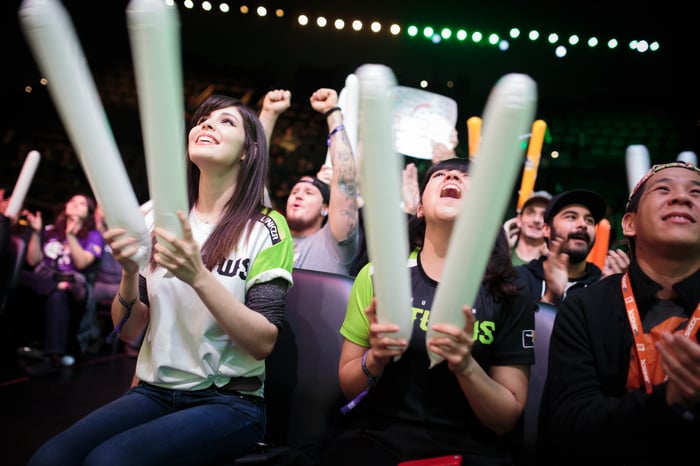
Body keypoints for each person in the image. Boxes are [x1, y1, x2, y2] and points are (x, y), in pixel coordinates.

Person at [27, 94, 295, 466]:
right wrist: (129, 269)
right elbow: (128, 330)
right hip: (154, 392)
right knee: (50, 457)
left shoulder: (266, 227)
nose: (206, 125)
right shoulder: (154, 216)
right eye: (203, 119)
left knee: (108, 461)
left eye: (225, 122)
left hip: (230, 402)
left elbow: (263, 342)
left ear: (248, 152)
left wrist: (198, 276)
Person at [322, 158, 537, 465]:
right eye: (439, 174)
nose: (451, 175)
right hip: (377, 440)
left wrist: (465, 365)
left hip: (467, 450)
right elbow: (348, 385)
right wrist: (377, 358)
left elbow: (506, 418)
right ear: (420, 207)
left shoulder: (509, 292)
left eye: (466, 176)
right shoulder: (378, 275)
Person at [536, 161, 700, 465]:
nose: (682, 198)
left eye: (696, 193)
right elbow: (568, 425)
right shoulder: (586, 306)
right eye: (664, 189)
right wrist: (670, 398)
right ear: (629, 224)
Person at [15, 193, 103, 373]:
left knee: (59, 295)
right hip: (47, 279)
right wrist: (36, 232)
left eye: (82, 203)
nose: (75, 205)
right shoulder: (51, 230)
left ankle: (53, 356)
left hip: (73, 283)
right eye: (72, 201)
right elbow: (34, 261)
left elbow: (82, 264)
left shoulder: (93, 236)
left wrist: (71, 235)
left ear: (89, 212)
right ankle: (53, 354)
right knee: (18, 275)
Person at [284, 87, 359, 276]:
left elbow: (344, 181)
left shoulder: (333, 244)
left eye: (309, 193)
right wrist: (268, 113)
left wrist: (332, 112)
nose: (299, 195)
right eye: (294, 191)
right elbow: (254, 181)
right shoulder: (268, 238)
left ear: (326, 208)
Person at [515, 188, 629, 306]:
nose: (583, 225)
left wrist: (613, 296)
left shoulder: (604, 284)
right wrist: (549, 299)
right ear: (546, 229)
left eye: (589, 221)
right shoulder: (519, 279)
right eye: (571, 217)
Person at [503, 190, 551, 266]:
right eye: (531, 212)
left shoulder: (551, 267)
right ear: (519, 220)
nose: (537, 220)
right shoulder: (500, 256)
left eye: (544, 215)